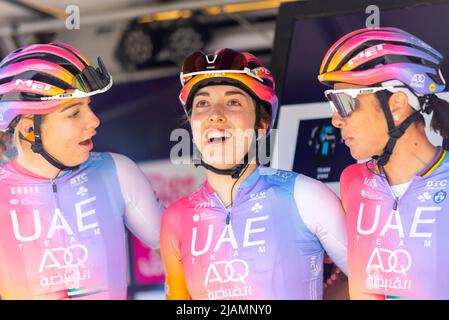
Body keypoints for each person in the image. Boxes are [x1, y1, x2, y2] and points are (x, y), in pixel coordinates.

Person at [160, 48, 347, 300]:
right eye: (202, 103)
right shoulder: (175, 219)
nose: (215, 114)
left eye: (233, 102)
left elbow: (372, 285)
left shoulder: (305, 196)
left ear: (261, 124)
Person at [0, 42, 162, 299]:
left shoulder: (117, 172)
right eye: (74, 113)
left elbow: (184, 256)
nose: (94, 121)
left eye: (89, 106)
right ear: (29, 130)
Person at [318, 27, 449, 299]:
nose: (335, 119)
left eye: (343, 102)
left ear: (397, 105)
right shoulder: (353, 180)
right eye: (331, 102)